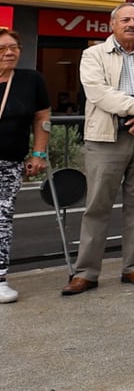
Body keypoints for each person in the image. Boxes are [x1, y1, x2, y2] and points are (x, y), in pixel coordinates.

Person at [63, 3, 134, 295]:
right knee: (97, 206)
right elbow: (99, 93)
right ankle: (86, 272)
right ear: (112, 24)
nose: (131, 24)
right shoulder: (93, 55)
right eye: (125, 19)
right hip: (105, 137)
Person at [0, 29, 50, 303]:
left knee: (2, 220)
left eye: (14, 47)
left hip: (9, 162)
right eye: (2, 48)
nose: (9, 52)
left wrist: (39, 153)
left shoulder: (31, 80)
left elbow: (42, 117)